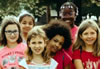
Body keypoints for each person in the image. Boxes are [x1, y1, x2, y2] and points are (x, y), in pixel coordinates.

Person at [60, 2, 79, 69]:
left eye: (70, 13)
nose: (67, 16)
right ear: (60, 14)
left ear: (76, 14)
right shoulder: (56, 31)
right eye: (64, 14)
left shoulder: (80, 31)